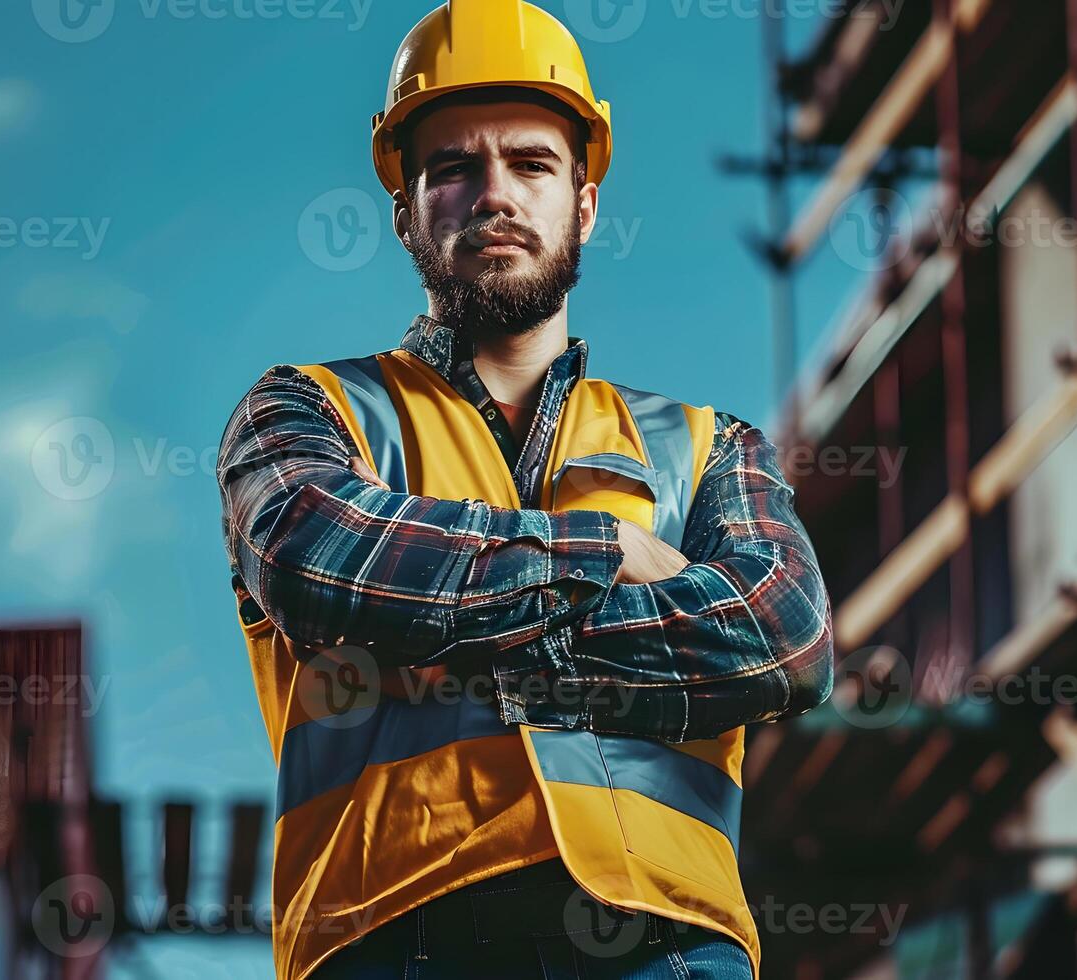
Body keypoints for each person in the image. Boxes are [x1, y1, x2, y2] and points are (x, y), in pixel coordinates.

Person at [216, 3, 834, 977]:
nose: (494, 193)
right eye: (454, 167)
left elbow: (783, 638)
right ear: (404, 208)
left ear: (583, 203)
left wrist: (450, 615)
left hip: (664, 940)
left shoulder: (712, 447)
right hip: (392, 932)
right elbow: (316, 556)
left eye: (532, 163)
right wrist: (609, 554)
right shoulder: (304, 411)